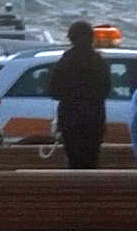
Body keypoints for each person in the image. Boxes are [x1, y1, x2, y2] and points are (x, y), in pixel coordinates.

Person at [48, 20, 111, 168]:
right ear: (91, 38)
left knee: (74, 160)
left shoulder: (65, 61)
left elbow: (53, 91)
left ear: (71, 38)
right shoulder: (99, 62)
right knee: (91, 160)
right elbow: (106, 90)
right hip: (95, 118)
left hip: (70, 118)